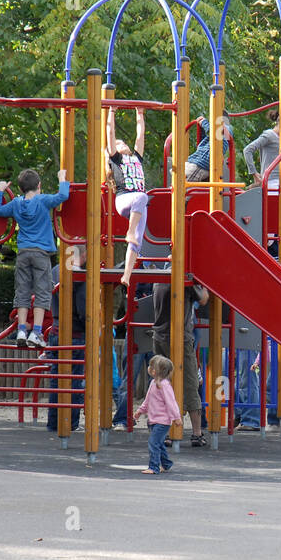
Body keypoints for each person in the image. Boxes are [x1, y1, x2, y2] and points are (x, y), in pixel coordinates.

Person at [0, 167, 69, 346]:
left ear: (20, 189)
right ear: (39, 185)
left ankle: (21, 330)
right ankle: (36, 333)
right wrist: (62, 178)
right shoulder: (43, 200)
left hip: (24, 253)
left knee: (22, 291)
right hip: (41, 253)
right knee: (43, 292)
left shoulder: (17, 203)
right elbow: (63, 196)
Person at [150, 282, 208, 445]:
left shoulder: (158, 281)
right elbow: (203, 299)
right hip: (180, 338)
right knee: (190, 383)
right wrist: (204, 287)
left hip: (159, 336)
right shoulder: (184, 280)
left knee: (163, 385)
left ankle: (165, 432)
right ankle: (196, 433)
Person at [104, 106, 150, 287]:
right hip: (124, 201)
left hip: (138, 204)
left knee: (137, 241)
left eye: (123, 143)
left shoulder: (137, 158)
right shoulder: (116, 159)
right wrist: (112, 112)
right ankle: (129, 231)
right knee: (142, 198)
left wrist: (140, 114)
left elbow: (140, 135)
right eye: (118, 144)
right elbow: (110, 131)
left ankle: (126, 276)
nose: (122, 144)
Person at [45, 246, 85, 434]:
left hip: (56, 330)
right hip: (76, 333)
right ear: (83, 255)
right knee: (74, 380)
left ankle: (54, 422)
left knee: (56, 378)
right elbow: (83, 308)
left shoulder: (56, 270)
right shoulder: (81, 276)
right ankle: (70, 423)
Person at [137, 355, 178, 473]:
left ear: (154, 371)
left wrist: (176, 417)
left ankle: (154, 467)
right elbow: (148, 399)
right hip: (153, 420)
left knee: (153, 442)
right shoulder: (153, 383)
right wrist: (140, 410)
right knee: (159, 443)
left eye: (150, 366)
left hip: (163, 421)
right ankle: (166, 463)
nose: (148, 367)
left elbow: (171, 403)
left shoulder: (164, 385)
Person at [184, 116, 235, 184]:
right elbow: (204, 143)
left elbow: (215, 134)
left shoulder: (226, 130)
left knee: (183, 183)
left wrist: (204, 122)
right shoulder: (214, 136)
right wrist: (201, 128)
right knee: (177, 174)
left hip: (202, 164)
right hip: (195, 161)